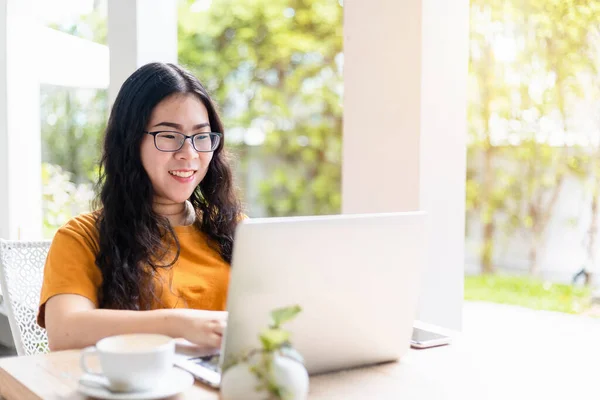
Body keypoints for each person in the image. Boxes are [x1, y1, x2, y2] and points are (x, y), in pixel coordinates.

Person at [37, 62, 243, 352]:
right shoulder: (82, 237)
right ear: (130, 143)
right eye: (169, 136)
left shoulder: (237, 230)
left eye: (201, 136)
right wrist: (178, 325)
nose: (190, 154)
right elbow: (65, 332)